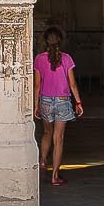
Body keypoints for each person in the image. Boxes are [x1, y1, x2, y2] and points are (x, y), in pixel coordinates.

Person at [34, 25, 83, 186]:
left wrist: (36, 105)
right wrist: (78, 102)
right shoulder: (67, 58)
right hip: (62, 100)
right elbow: (73, 83)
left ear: (45, 41)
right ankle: (55, 176)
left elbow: (37, 85)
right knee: (59, 138)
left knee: (46, 132)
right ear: (60, 41)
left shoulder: (39, 59)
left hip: (45, 100)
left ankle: (42, 161)